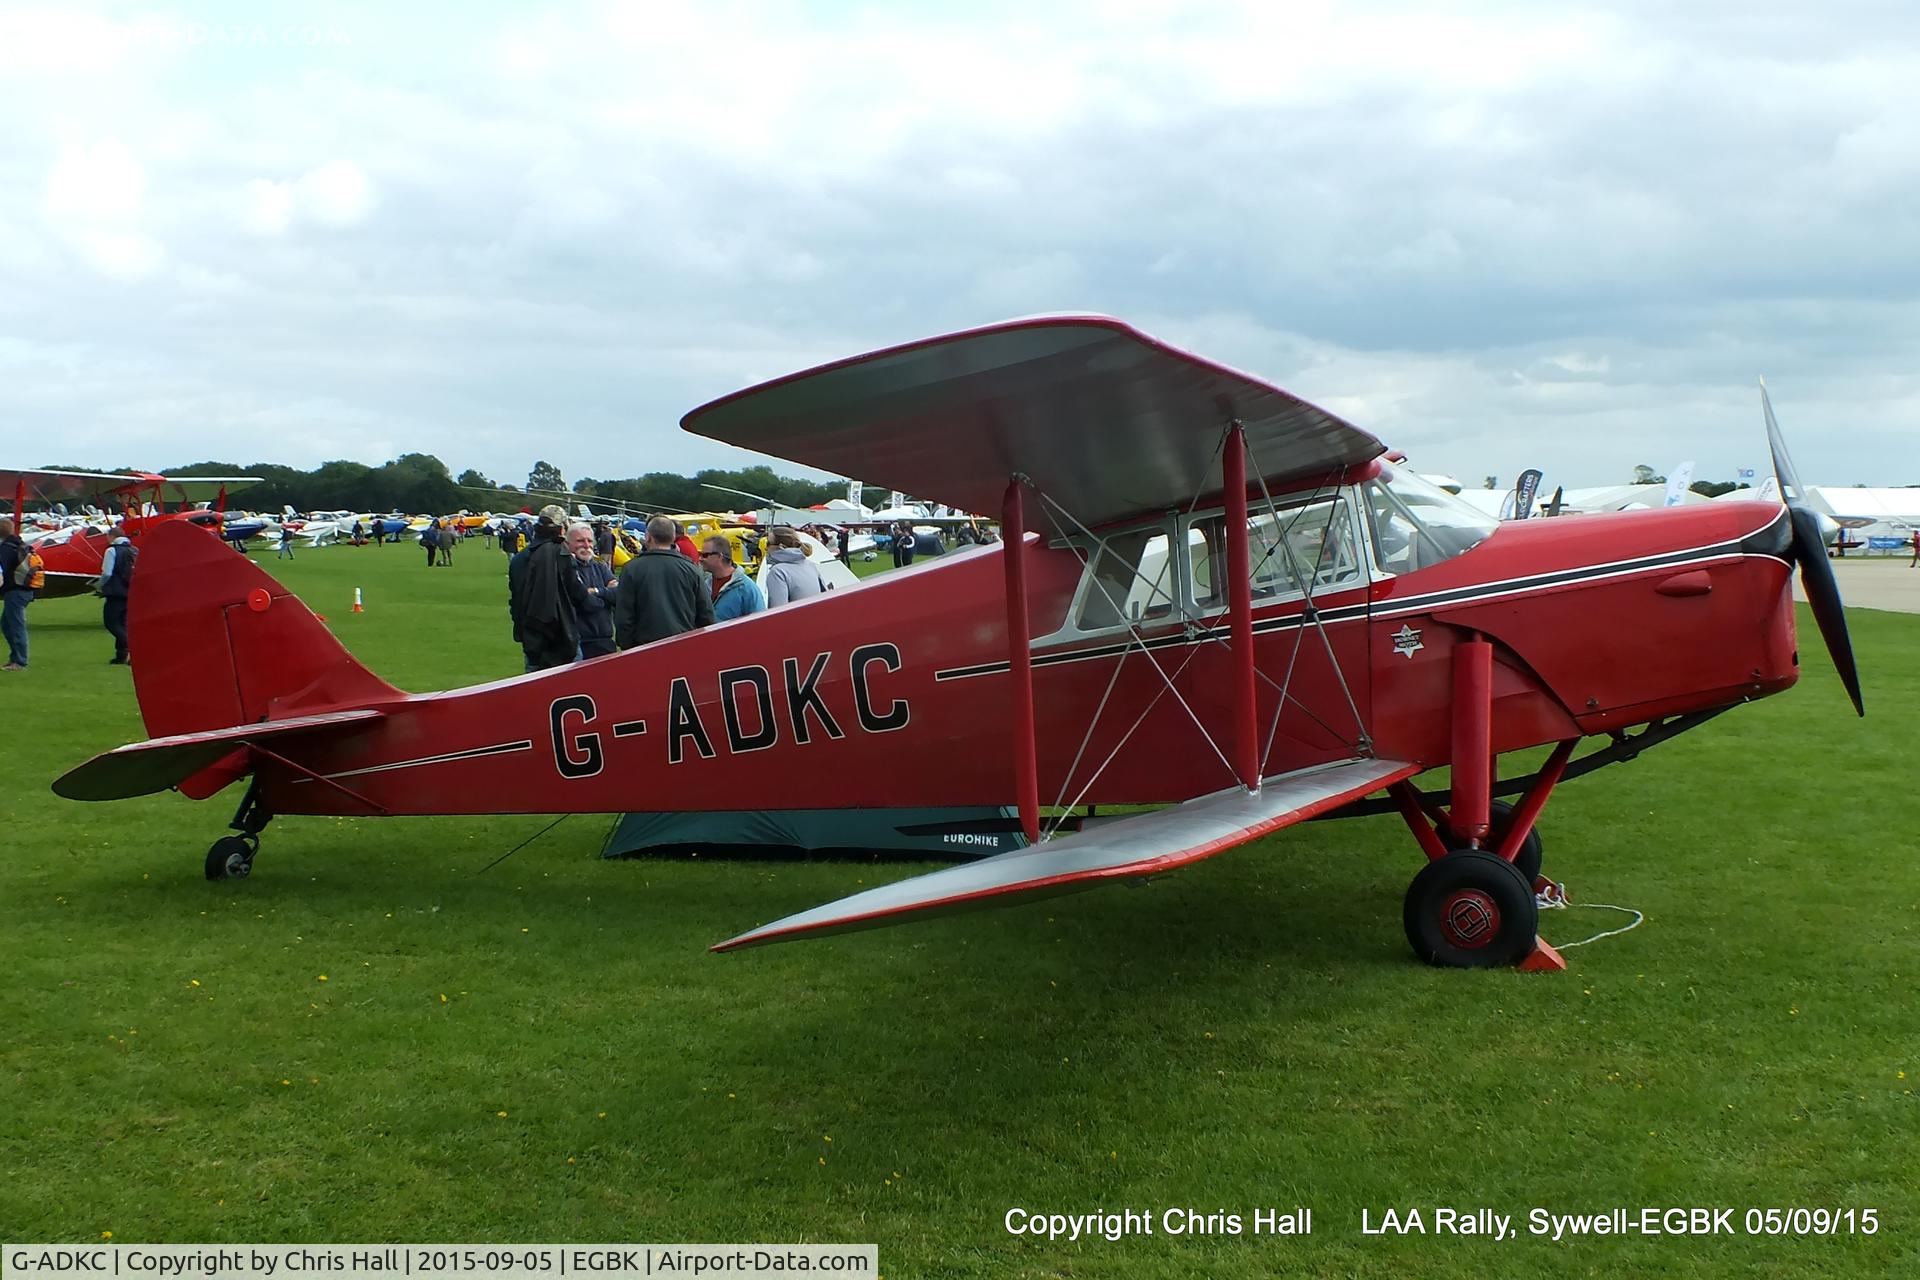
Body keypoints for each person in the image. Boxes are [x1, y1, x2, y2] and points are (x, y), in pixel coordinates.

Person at [508, 506, 590, 671]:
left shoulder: (518, 559)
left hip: (532, 640)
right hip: (562, 639)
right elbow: (579, 595)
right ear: (561, 529)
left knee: (536, 693)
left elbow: (516, 600)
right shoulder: (561, 553)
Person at [614, 515, 712, 649]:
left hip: (644, 649)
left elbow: (624, 617)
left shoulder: (632, 569)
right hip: (683, 648)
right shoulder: (691, 569)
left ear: (648, 536)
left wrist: (628, 647)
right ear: (673, 538)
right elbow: (706, 614)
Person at [568, 522, 618, 658]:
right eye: (580, 541)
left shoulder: (600, 567)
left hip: (605, 640)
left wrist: (596, 591)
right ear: (568, 544)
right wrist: (606, 597)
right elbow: (587, 604)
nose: (586, 545)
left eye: (589, 540)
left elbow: (619, 594)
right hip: (580, 642)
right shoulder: (568, 571)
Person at [97, 527, 137, 664]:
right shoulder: (134, 550)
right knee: (123, 623)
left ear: (112, 536)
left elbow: (107, 573)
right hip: (131, 591)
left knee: (111, 622)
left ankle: (133, 649)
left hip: (115, 592)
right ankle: (121, 655)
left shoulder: (111, 550)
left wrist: (99, 585)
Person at [702, 535, 764, 621]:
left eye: (705, 555)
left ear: (720, 556)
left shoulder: (747, 589)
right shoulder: (705, 585)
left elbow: (759, 623)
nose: (700, 559)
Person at [0, 518, 35, 670]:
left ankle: (20, 661)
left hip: (15, 591)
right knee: (7, 625)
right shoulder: (20, 544)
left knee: (16, 626)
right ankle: (15, 658)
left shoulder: (6, 549)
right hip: (26, 589)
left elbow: (2, 570)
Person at [764, 527, 825, 607]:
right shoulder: (811, 565)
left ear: (781, 546)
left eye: (768, 543)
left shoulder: (778, 572)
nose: (766, 548)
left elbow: (777, 611)